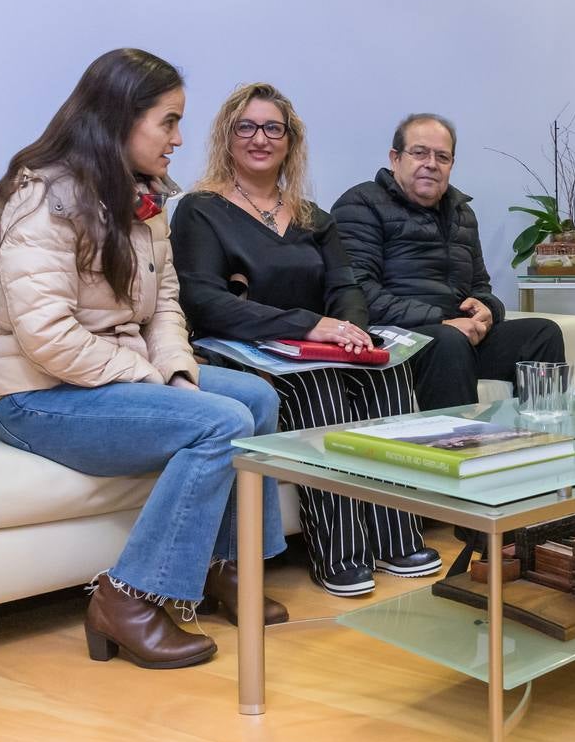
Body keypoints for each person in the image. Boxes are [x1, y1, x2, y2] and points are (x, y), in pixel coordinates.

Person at [0, 49, 287, 670]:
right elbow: (47, 337)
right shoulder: (41, 196)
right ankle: (127, 597)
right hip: (40, 397)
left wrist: (175, 370)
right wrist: (153, 379)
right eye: (168, 122)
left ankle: (223, 567)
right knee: (220, 421)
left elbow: (165, 304)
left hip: (111, 377)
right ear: (120, 117)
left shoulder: (145, 199)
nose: (178, 139)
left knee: (258, 396)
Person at [172, 83, 441, 598]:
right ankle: (338, 550)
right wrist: (307, 326)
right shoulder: (200, 209)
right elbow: (204, 301)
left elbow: (345, 286)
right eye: (246, 127)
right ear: (227, 137)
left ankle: (396, 536)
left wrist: (354, 332)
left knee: (386, 372)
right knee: (321, 388)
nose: (260, 138)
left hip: (315, 346)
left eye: (274, 128)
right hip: (237, 349)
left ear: (291, 141)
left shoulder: (314, 215)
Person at [332, 113, 566, 410]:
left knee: (542, 333)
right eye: (419, 153)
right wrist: (441, 321)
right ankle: (460, 448)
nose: (431, 163)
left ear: (451, 165)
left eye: (442, 156)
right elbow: (357, 291)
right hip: (394, 336)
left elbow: (480, 284)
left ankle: (541, 437)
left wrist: (487, 310)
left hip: (454, 332)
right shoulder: (360, 204)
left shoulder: (462, 213)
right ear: (395, 158)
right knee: (448, 341)